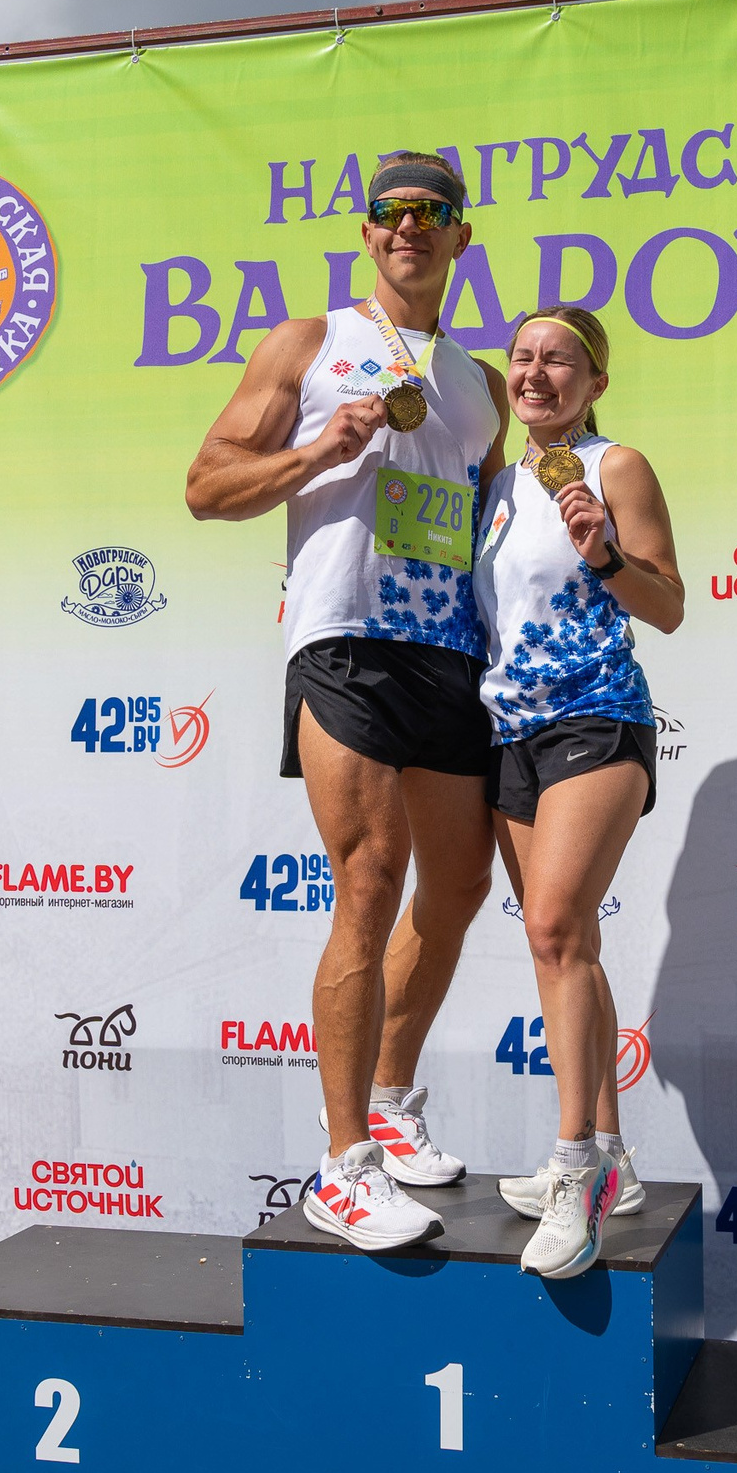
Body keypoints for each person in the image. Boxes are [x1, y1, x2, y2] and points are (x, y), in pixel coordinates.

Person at [186, 152, 510, 1251]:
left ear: (461, 236)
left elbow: (483, 526)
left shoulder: (480, 382)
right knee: (368, 885)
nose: (409, 227)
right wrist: (319, 450)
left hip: (448, 655)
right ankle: (341, 1163)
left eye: (431, 213)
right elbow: (205, 484)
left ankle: (389, 1097)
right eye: (390, 212)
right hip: (348, 643)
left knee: (458, 889)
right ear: (367, 234)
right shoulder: (309, 342)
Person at [473, 306, 683, 1277]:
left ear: (594, 382)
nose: (535, 373)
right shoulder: (491, 485)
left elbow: (668, 604)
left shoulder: (616, 467)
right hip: (506, 733)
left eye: (560, 360)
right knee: (564, 943)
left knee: (556, 927)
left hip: (597, 716)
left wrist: (604, 552)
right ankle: (612, 1156)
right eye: (521, 357)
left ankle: (574, 1173)